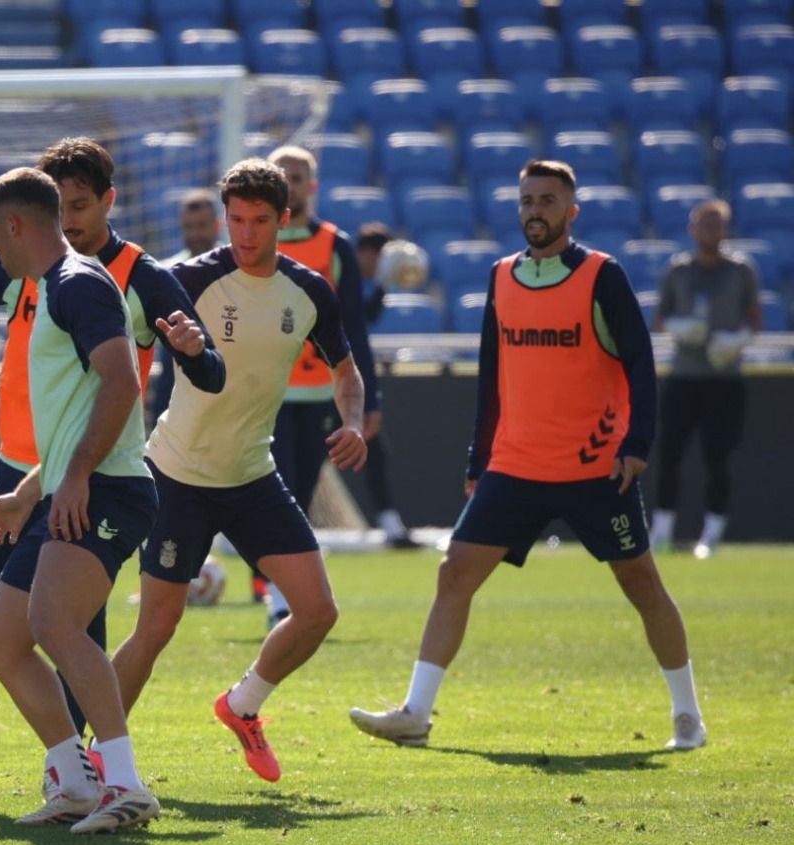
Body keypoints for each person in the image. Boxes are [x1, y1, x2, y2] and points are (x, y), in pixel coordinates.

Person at [0, 140, 224, 805]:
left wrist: (195, 353)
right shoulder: (30, 268)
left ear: (107, 202)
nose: (70, 219)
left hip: (93, 473)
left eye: (80, 205)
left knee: (65, 626)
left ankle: (104, 776)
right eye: (61, 206)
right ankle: (17, 765)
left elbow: (180, 376)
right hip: (30, 474)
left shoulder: (107, 278)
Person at [350, 160, 706, 752]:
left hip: (596, 468)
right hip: (515, 465)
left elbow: (641, 366)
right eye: (526, 201)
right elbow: (492, 375)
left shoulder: (602, 275)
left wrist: (637, 444)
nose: (535, 211)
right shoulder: (501, 276)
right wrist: (478, 458)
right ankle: (415, 713)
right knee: (454, 573)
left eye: (547, 200)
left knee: (642, 583)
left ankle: (688, 716)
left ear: (572, 211)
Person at [112, 158, 366, 783]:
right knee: (157, 626)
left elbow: (346, 371)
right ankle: (93, 755)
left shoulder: (309, 291)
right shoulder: (186, 280)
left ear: (284, 219)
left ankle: (243, 704)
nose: (246, 234)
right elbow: (123, 346)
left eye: (260, 221)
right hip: (178, 475)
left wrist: (354, 421)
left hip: (253, 476)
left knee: (318, 612)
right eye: (237, 220)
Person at [0, 167, 191, 833]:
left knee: (54, 622)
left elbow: (123, 383)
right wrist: (29, 492)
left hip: (109, 489)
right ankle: (73, 781)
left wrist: (76, 478)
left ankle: (125, 784)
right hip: (71, 486)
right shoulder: (54, 286)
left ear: (15, 225)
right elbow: (76, 415)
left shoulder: (78, 283)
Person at [263, 145, 381, 620]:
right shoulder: (255, 240)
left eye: (297, 177)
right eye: (282, 176)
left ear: (311, 186)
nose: (289, 184)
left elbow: (354, 329)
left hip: (316, 396)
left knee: (302, 491)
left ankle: (285, 594)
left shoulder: (335, 246)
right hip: (265, 396)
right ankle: (279, 599)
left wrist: (368, 398)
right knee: (281, 492)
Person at [650, 199, 761, 559]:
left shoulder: (741, 270)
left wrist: (736, 341)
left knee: (718, 458)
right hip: (684, 377)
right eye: (705, 224)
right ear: (692, 229)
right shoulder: (678, 270)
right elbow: (660, 318)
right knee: (669, 454)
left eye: (718, 224)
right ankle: (661, 532)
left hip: (724, 379)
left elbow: (754, 319)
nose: (712, 231)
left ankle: (711, 536)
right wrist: (680, 327)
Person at [353, 222, 415, 548]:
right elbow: (360, 316)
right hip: (321, 380)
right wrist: (380, 284)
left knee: (374, 453)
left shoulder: (363, 282)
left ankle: (391, 527)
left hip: (347, 381)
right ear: (366, 253)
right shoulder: (343, 275)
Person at [149, 189, 225, 419]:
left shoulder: (234, 271)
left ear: (217, 225)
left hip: (223, 372)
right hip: (173, 377)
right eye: (188, 227)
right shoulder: (166, 272)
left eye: (201, 226)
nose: (195, 234)